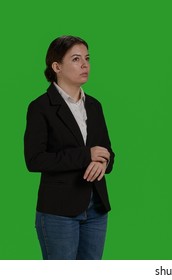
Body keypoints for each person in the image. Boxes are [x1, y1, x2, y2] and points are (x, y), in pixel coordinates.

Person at [24, 35, 115, 260]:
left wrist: (103, 161)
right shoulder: (40, 107)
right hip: (59, 211)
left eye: (87, 58)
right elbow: (34, 160)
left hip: (96, 208)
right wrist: (86, 155)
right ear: (56, 67)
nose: (85, 65)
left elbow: (107, 152)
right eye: (76, 59)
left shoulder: (94, 105)